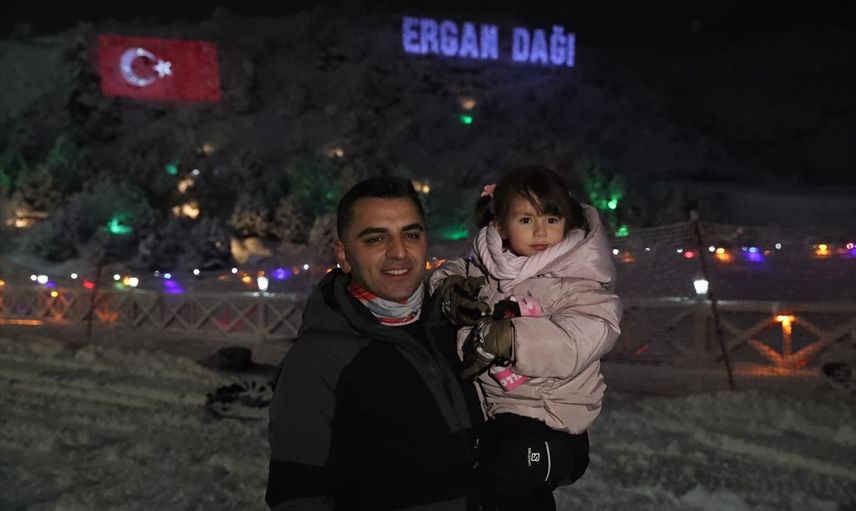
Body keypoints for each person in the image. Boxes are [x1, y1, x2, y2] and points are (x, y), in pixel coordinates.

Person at [266, 176, 484, 510]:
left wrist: (550, 456)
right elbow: (299, 496)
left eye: (411, 235)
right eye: (376, 238)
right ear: (344, 256)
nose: (399, 252)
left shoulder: (459, 325)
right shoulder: (317, 361)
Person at [429, 165, 622, 510]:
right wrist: (449, 288)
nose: (540, 231)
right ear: (501, 225)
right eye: (526, 220)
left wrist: (511, 338)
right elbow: (459, 268)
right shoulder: (494, 265)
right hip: (499, 409)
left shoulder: (576, 277)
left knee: (507, 484)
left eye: (551, 219)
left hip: (548, 413)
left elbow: (581, 337)